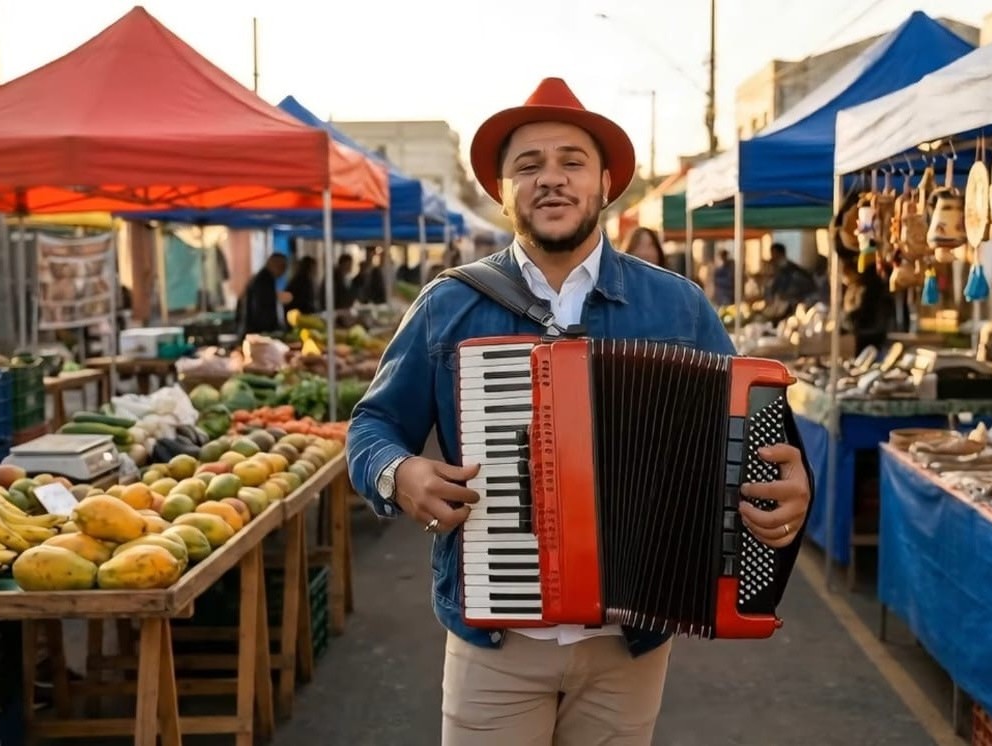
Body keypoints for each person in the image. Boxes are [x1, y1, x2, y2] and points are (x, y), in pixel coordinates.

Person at [347, 77, 813, 746]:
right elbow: (371, 427)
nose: (551, 180)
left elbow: (753, 448)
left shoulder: (679, 308)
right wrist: (399, 474)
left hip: (631, 642)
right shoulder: (448, 304)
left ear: (603, 184)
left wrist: (790, 494)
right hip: (495, 643)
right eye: (528, 165)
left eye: (571, 161)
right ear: (502, 190)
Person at [238, 253, 290, 336]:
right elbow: (261, 307)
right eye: (282, 266)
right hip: (257, 330)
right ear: (273, 264)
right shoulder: (263, 280)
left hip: (256, 329)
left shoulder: (265, 278)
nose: (284, 271)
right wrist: (270, 330)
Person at [763, 243, 815, 320]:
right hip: (782, 308)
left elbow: (801, 289)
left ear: (780, 253)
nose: (772, 257)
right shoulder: (777, 270)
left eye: (774, 253)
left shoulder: (793, 271)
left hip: (793, 309)